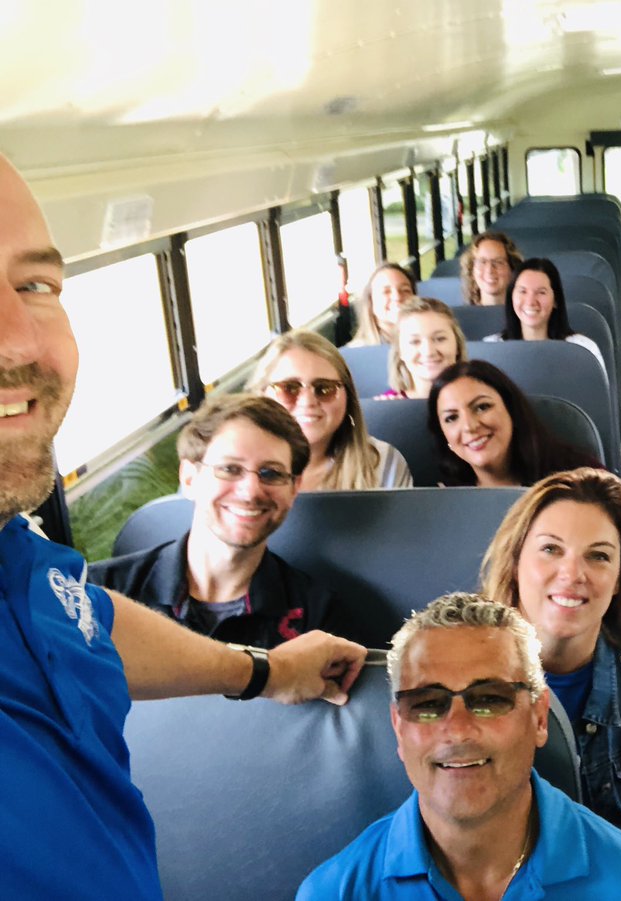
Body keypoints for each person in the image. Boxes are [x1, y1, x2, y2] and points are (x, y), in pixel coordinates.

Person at [0, 153, 366, 899]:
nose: (19, 341)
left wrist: (261, 669)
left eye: (34, 285)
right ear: (188, 476)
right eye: (230, 468)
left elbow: (80, 624)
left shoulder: (24, 556)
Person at [297, 592, 621, 900]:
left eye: (489, 699)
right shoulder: (334, 892)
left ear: (538, 717)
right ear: (399, 729)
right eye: (428, 704)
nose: (459, 731)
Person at [480, 469, 621, 868]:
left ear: (618, 580)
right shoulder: (460, 668)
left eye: (598, 556)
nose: (572, 574)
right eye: (550, 549)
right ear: (515, 561)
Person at [88, 394, 361, 648]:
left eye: (271, 473)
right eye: (230, 469)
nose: (251, 491)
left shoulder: (318, 620)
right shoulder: (99, 593)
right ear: (189, 477)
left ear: (294, 487)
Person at [248, 329, 412, 490]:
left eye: (325, 389)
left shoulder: (382, 463)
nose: (308, 401)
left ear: (347, 397)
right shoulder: (237, 469)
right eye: (289, 388)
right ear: (262, 395)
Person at [428, 359, 600, 488]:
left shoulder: (582, 478)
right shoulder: (444, 503)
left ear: (511, 409)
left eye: (482, 407)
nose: (469, 426)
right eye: (451, 418)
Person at [484, 257, 607, 377]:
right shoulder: (490, 349)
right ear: (511, 297)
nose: (530, 301)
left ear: (556, 300)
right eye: (523, 291)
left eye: (541, 292)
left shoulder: (583, 349)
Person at [378, 296, 468, 400]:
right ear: (400, 352)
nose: (428, 352)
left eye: (439, 339)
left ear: (457, 345)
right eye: (414, 341)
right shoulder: (386, 404)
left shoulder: (481, 396)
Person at [348, 262, 418, 347]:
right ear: (370, 302)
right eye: (386, 291)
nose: (397, 297)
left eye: (405, 290)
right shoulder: (357, 354)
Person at [461, 231, 522, 306]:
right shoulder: (459, 316)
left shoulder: (525, 315)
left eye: (498, 262)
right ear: (472, 271)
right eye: (482, 262)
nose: (489, 270)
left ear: (512, 269)